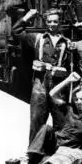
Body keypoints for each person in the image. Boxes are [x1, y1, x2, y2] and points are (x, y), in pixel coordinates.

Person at [12, 9, 70, 144]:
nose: (52, 24)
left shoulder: (66, 42)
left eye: (55, 21)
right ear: (45, 22)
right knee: (37, 119)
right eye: (49, 21)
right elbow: (16, 32)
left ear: (60, 23)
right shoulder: (37, 38)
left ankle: (59, 152)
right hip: (40, 84)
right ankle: (34, 152)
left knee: (61, 121)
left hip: (58, 86)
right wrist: (27, 16)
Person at [26, 73, 82, 164]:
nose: (79, 102)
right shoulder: (68, 109)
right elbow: (52, 94)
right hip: (57, 143)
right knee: (46, 128)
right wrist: (68, 80)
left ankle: (41, 159)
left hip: (72, 148)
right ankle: (32, 156)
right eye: (76, 99)